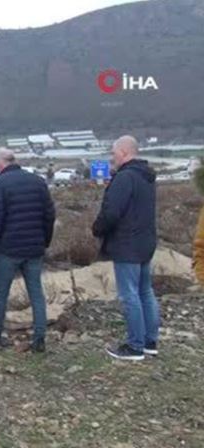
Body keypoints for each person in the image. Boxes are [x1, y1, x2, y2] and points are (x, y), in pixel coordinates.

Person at [0, 149, 55, 353]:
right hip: (34, 247)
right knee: (36, 293)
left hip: (8, 248)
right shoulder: (38, 182)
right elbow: (49, 214)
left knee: (1, 293)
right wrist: (45, 241)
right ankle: (39, 338)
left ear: (0, 164)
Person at [92, 135, 159, 361]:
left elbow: (112, 212)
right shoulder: (147, 177)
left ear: (123, 152)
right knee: (145, 292)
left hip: (127, 243)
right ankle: (150, 341)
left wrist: (97, 228)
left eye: (113, 153)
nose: (112, 158)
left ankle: (134, 346)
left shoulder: (125, 178)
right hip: (145, 242)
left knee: (129, 294)